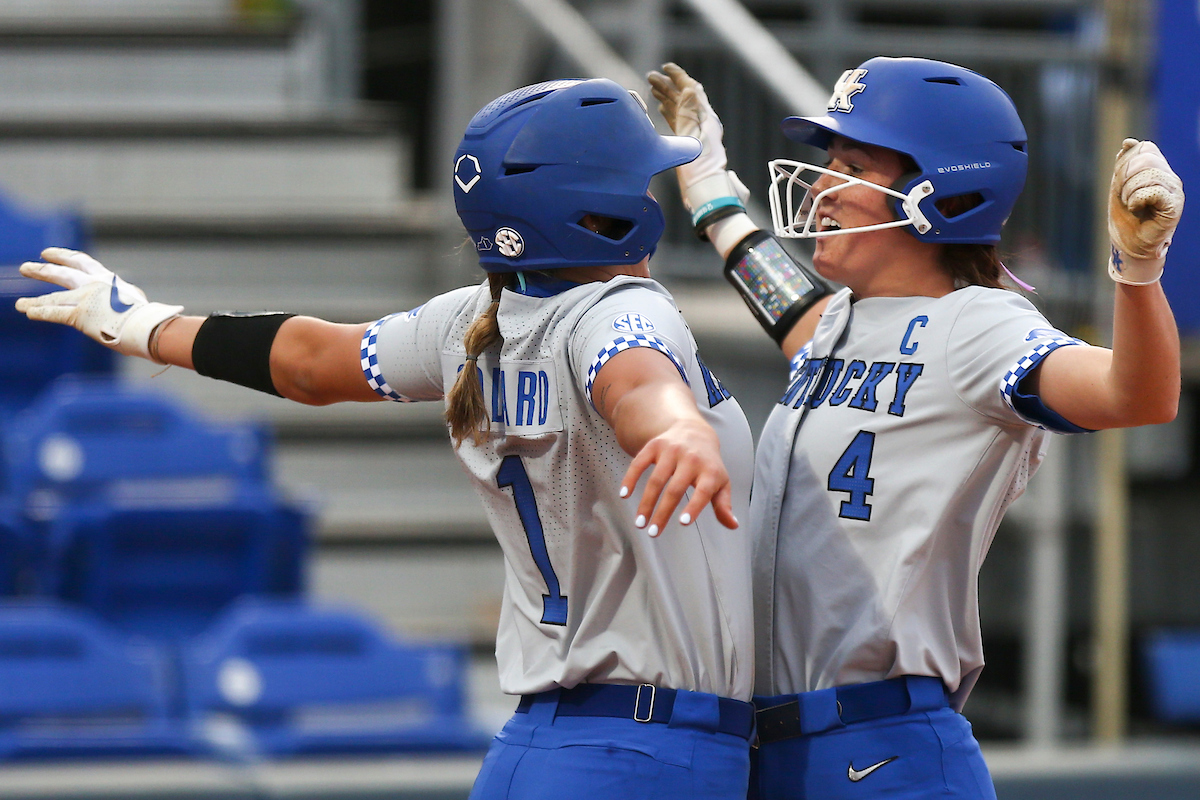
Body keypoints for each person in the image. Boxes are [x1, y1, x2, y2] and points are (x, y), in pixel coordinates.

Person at [17, 78, 758, 799]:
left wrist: (146, 325)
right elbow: (636, 382)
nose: (648, 194)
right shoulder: (621, 307)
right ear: (597, 212)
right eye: (636, 182)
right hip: (648, 754)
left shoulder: (468, 324)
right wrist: (679, 427)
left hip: (538, 748)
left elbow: (309, 363)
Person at [648, 57, 1184, 799]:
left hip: (886, 747)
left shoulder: (979, 324)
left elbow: (1138, 395)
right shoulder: (842, 319)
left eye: (852, 166)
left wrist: (1139, 270)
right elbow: (789, 305)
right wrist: (711, 195)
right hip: (781, 750)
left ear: (940, 193)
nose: (822, 185)